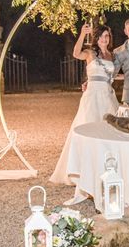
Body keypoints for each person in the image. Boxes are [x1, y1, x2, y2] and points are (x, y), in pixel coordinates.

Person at [50, 24, 119, 184]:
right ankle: (83, 170)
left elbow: (111, 76)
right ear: (96, 38)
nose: (104, 39)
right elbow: (75, 53)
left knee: (108, 130)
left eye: (107, 36)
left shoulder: (111, 55)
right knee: (87, 128)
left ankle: (105, 167)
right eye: (101, 36)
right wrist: (82, 34)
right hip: (92, 96)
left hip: (108, 96)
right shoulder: (90, 53)